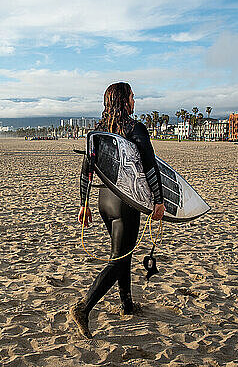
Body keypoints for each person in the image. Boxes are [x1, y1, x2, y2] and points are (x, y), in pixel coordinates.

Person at [70, 82, 165, 338]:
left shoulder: (98, 132)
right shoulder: (135, 129)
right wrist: (158, 200)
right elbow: (149, 167)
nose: (135, 101)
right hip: (126, 201)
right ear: (124, 101)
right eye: (132, 97)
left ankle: (126, 304)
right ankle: (83, 308)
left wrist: (84, 203)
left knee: (122, 252)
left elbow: (86, 171)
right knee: (119, 258)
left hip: (104, 201)